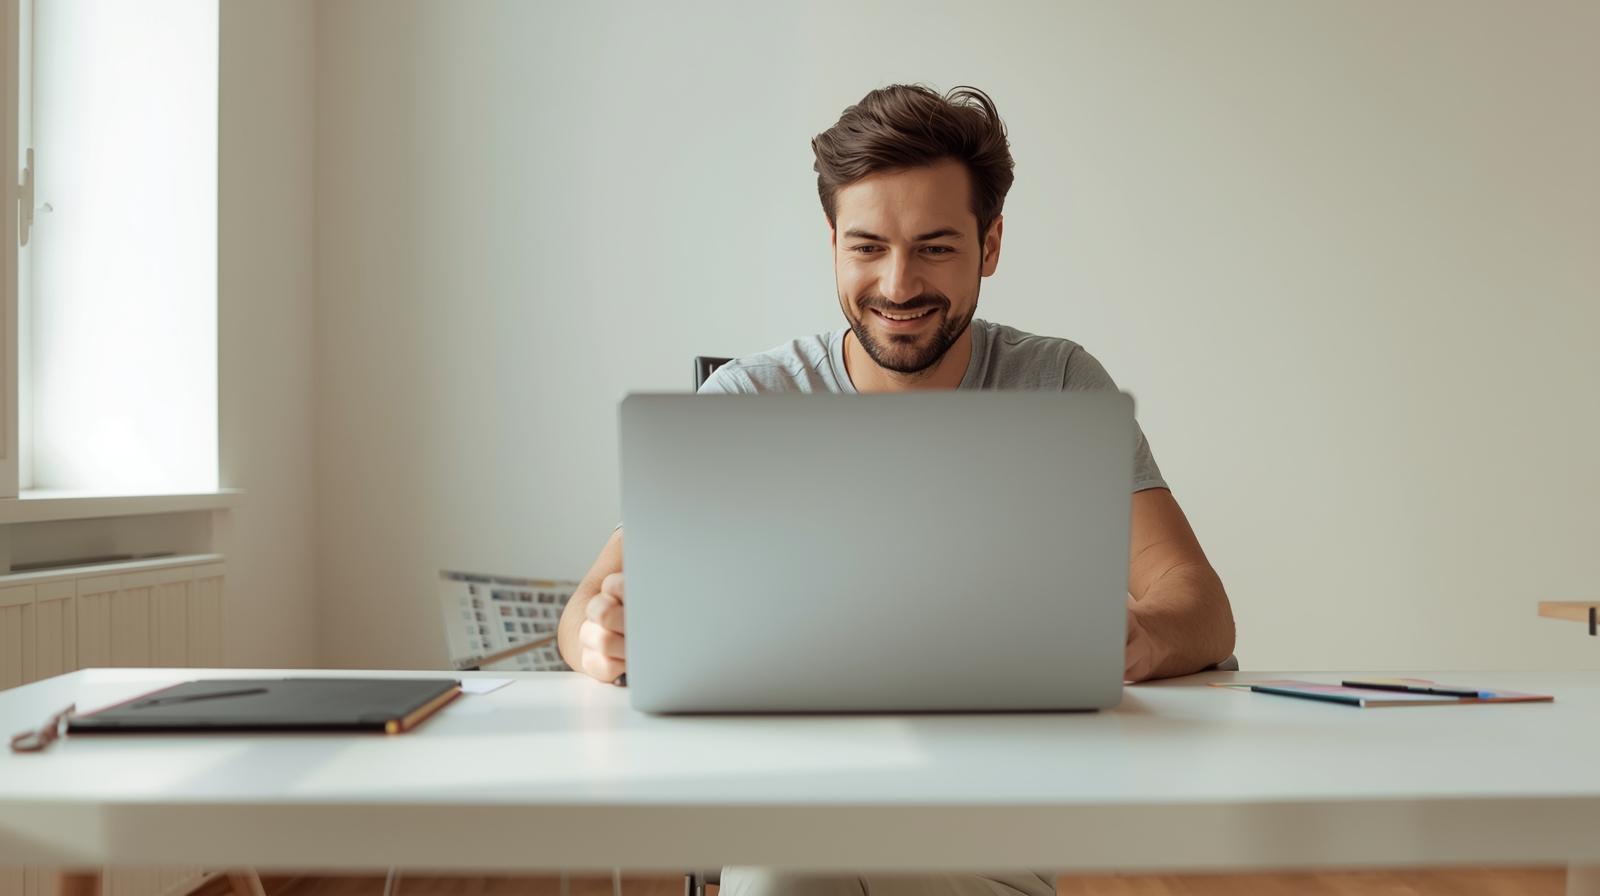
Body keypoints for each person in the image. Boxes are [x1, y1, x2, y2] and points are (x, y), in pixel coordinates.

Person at [557, 83, 1236, 896]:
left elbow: (1199, 605)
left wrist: (1140, 638)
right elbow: (584, 611)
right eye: (868, 246)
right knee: (787, 876)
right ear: (834, 242)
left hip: (989, 821)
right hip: (783, 802)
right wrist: (601, 639)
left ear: (990, 245)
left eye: (936, 248)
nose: (899, 284)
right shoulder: (751, 399)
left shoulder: (1056, 384)